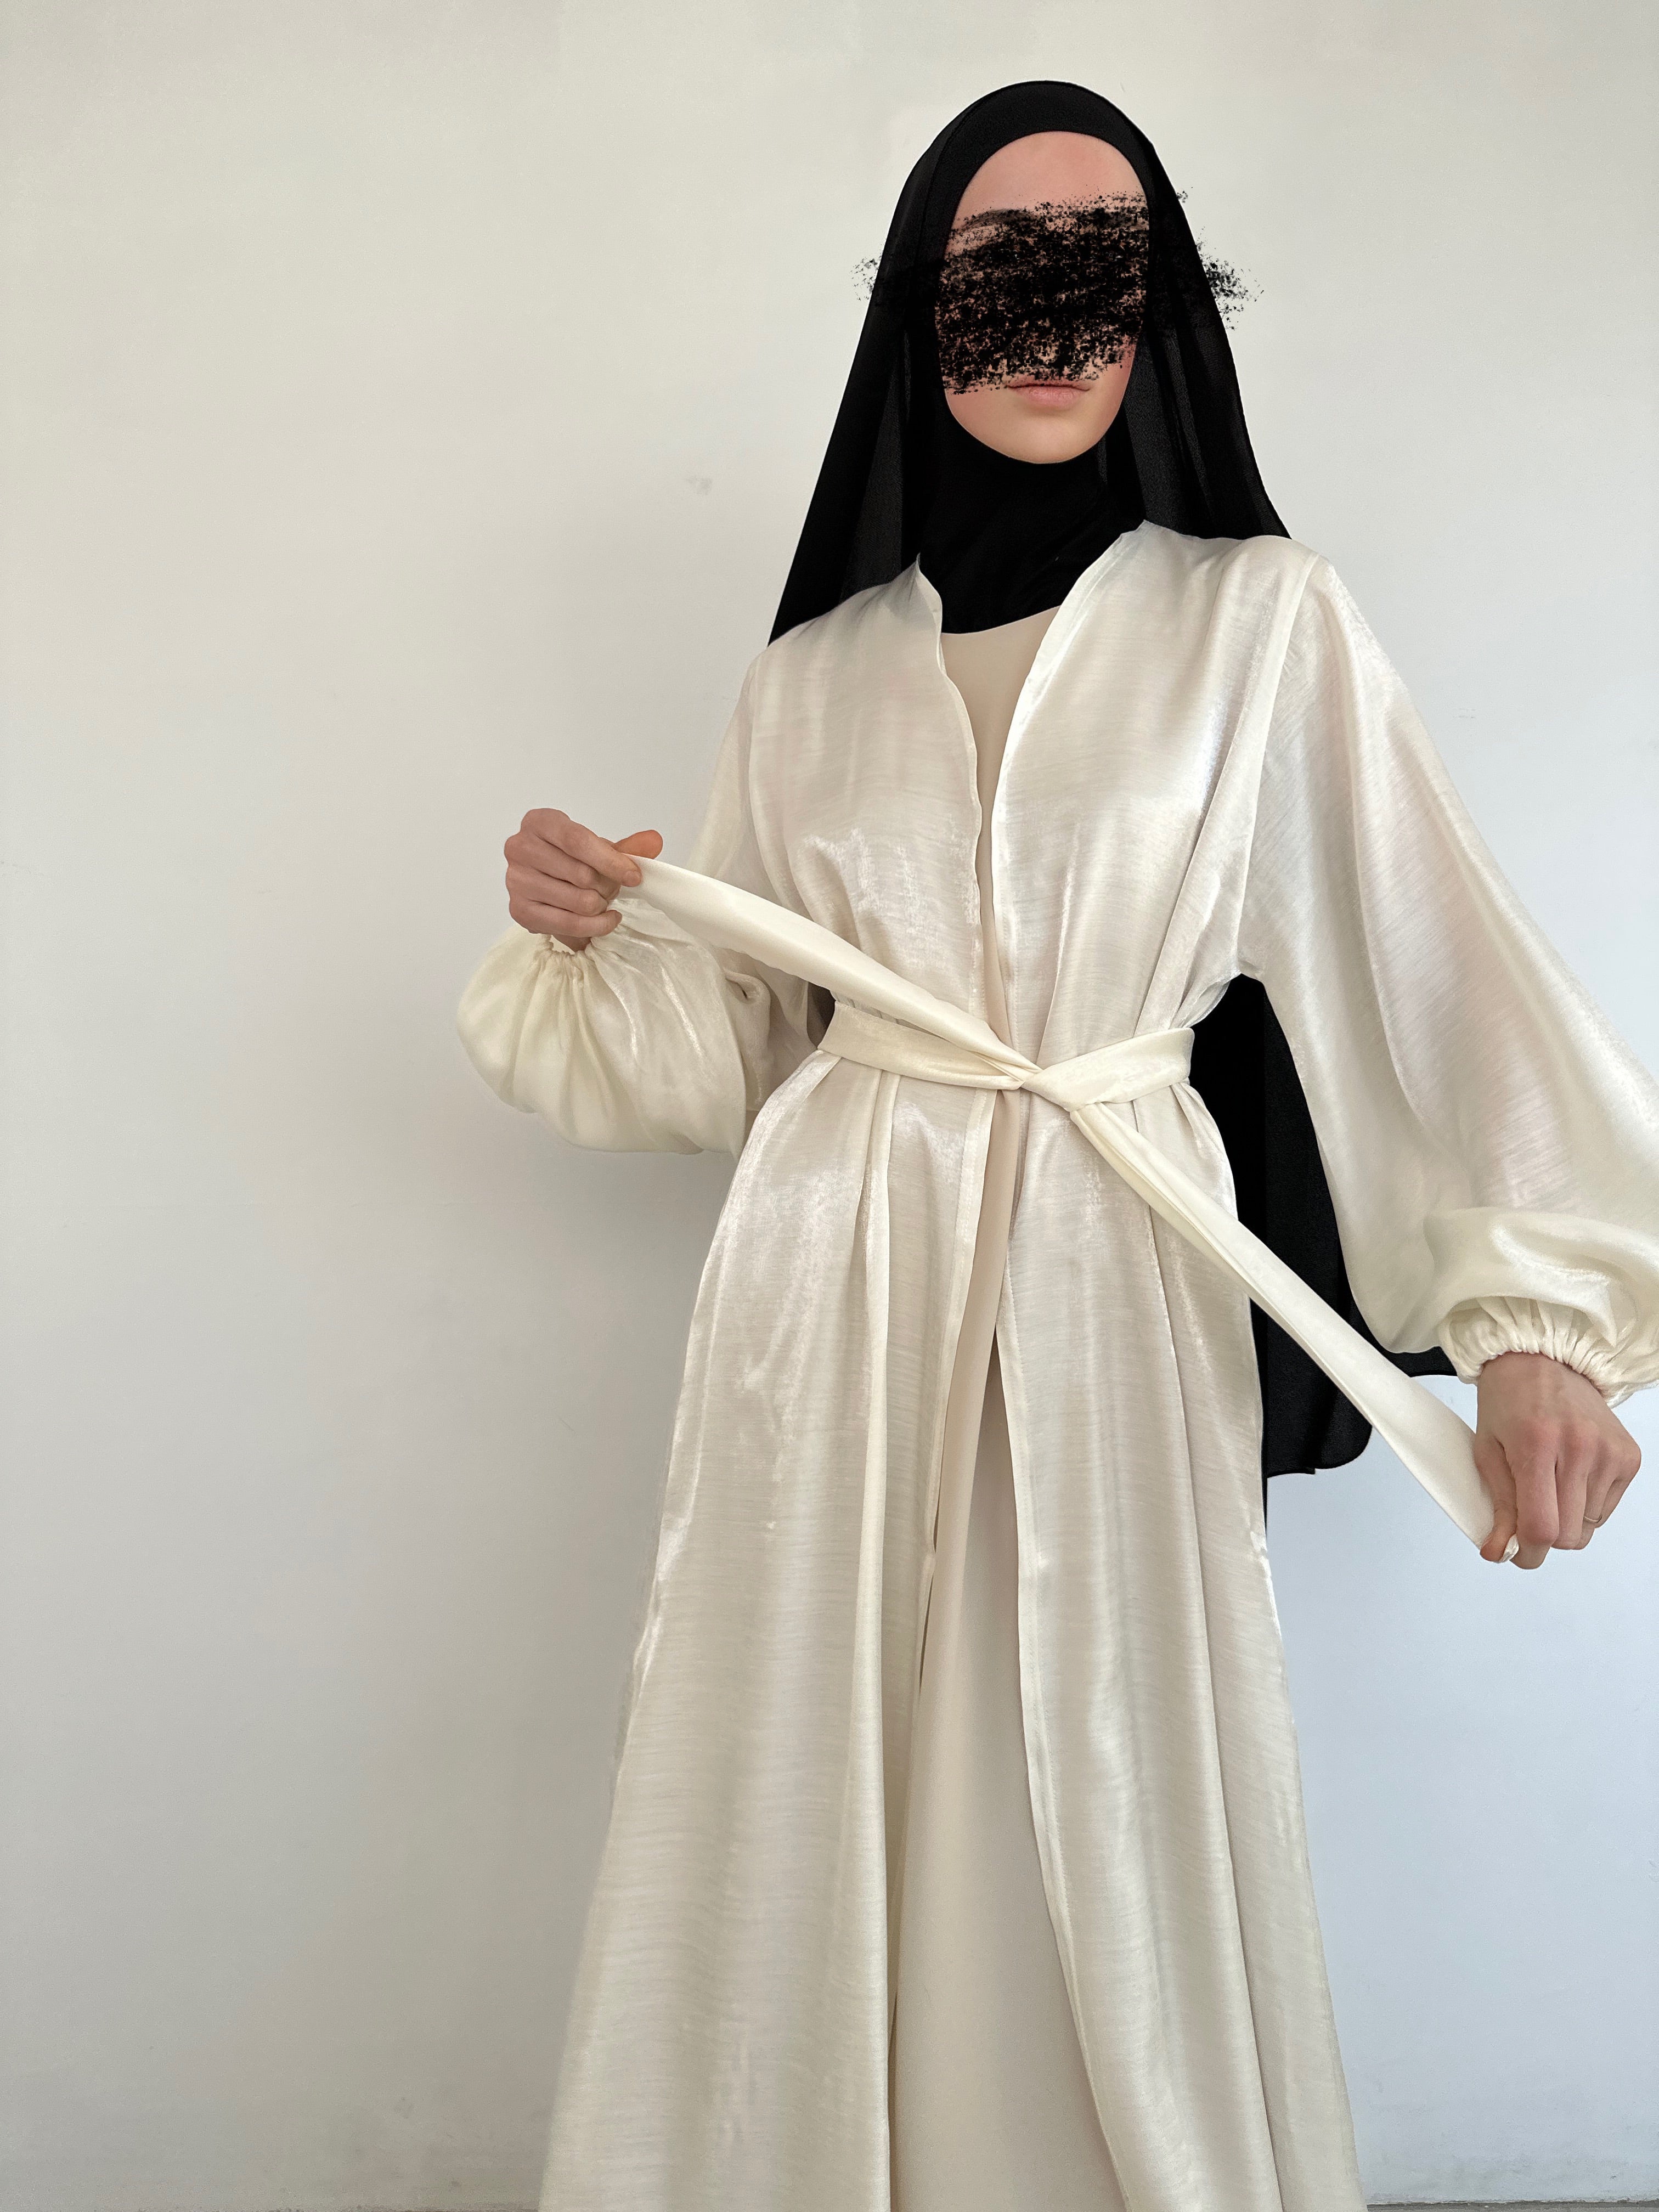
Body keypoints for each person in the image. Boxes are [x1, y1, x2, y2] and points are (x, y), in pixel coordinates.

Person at [456, 81, 1658, 2212]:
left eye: (1099, 276)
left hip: (1117, 1268)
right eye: (997, 276)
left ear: (1164, 312)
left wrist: (1539, 1325)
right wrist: (592, 934)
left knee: (1102, 1739)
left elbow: (1433, 960)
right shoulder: (813, 677)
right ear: (917, 313)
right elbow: (734, 1047)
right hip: (835, 1276)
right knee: (816, 1735)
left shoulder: (1259, 622)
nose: (1047, 332)